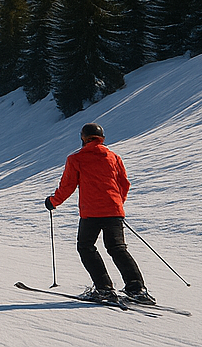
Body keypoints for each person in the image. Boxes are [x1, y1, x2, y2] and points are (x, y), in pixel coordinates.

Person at [47, 123, 152, 305]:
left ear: (83, 138)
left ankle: (104, 288)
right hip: (114, 211)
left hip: (91, 214)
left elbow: (68, 185)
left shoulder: (76, 158)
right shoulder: (114, 157)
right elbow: (124, 184)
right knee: (117, 248)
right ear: (101, 138)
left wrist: (53, 201)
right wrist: (116, 204)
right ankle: (137, 289)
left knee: (86, 247)